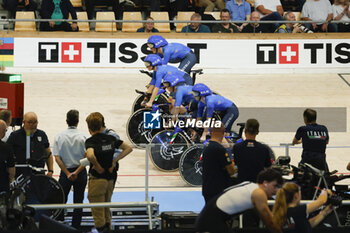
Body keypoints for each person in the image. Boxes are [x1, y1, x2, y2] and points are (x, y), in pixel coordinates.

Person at [195, 168, 283, 233]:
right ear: (265, 183)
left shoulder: (249, 185)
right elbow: (269, 222)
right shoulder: (259, 193)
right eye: (275, 186)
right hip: (210, 223)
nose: (276, 191)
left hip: (209, 220)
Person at [85, 112, 132, 232]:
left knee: (98, 212)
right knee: (106, 208)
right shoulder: (111, 138)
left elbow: (90, 155)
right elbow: (128, 148)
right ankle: (108, 228)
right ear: (102, 125)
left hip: (97, 179)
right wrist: (114, 161)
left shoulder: (91, 141)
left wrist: (97, 166)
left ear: (90, 127)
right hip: (110, 179)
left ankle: (101, 230)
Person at [53, 110, 88, 229]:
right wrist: (77, 172)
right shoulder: (84, 137)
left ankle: (60, 223)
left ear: (66, 121)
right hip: (80, 171)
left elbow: (57, 158)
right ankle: (76, 227)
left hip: (65, 171)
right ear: (78, 121)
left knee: (61, 200)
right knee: (78, 201)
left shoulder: (59, 137)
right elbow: (87, 157)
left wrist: (68, 173)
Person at [7, 112, 54, 177]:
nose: (32, 125)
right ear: (24, 122)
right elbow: (7, 154)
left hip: (39, 174)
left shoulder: (42, 134)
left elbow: (48, 154)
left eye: (35, 122)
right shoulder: (15, 136)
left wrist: (50, 170)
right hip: (20, 174)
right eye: (30, 122)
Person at [202, 122, 236, 203]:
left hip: (207, 187)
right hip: (218, 190)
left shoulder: (207, 147)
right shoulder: (219, 149)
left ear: (211, 132)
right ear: (223, 132)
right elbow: (231, 170)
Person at [232, 119, 272, 183]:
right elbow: (268, 168)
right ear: (257, 132)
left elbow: (235, 164)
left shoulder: (237, 148)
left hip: (241, 184)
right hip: (257, 184)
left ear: (245, 131)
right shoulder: (264, 149)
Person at [0, 120, 15, 194]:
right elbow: (11, 170)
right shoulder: (6, 148)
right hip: (2, 185)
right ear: (2, 131)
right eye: (5, 130)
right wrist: (10, 181)